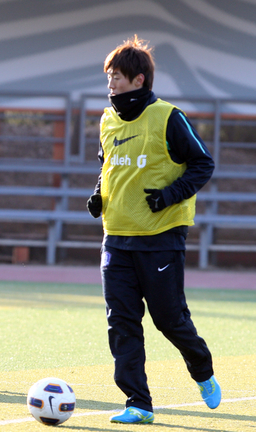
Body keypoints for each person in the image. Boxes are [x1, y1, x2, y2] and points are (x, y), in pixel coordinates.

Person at [86, 35, 221, 424]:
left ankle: (202, 370)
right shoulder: (107, 120)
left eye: (117, 76)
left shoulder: (169, 117)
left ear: (139, 80)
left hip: (162, 237)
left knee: (169, 320)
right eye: (108, 75)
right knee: (121, 321)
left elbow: (202, 164)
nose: (110, 82)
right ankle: (138, 402)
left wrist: (169, 195)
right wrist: (98, 195)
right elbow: (109, 165)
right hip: (116, 238)